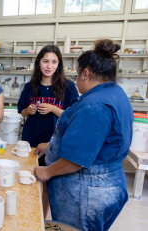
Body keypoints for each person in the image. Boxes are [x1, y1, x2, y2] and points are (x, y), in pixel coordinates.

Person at [34, 39, 132, 231]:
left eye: (77, 74)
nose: (77, 80)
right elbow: (97, 141)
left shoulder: (94, 106)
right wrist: (52, 145)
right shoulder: (116, 94)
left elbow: (76, 160)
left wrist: (47, 171)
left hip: (87, 191)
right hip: (110, 181)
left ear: (85, 73)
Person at [17, 45, 79, 219]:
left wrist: (52, 108)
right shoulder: (30, 87)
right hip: (31, 141)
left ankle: (41, 221)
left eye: (54, 62)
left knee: (48, 185)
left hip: (54, 144)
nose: (49, 66)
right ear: (38, 62)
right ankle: (26, 218)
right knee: (27, 180)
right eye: (45, 61)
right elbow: (21, 112)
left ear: (59, 64)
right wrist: (28, 111)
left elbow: (72, 116)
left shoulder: (68, 87)